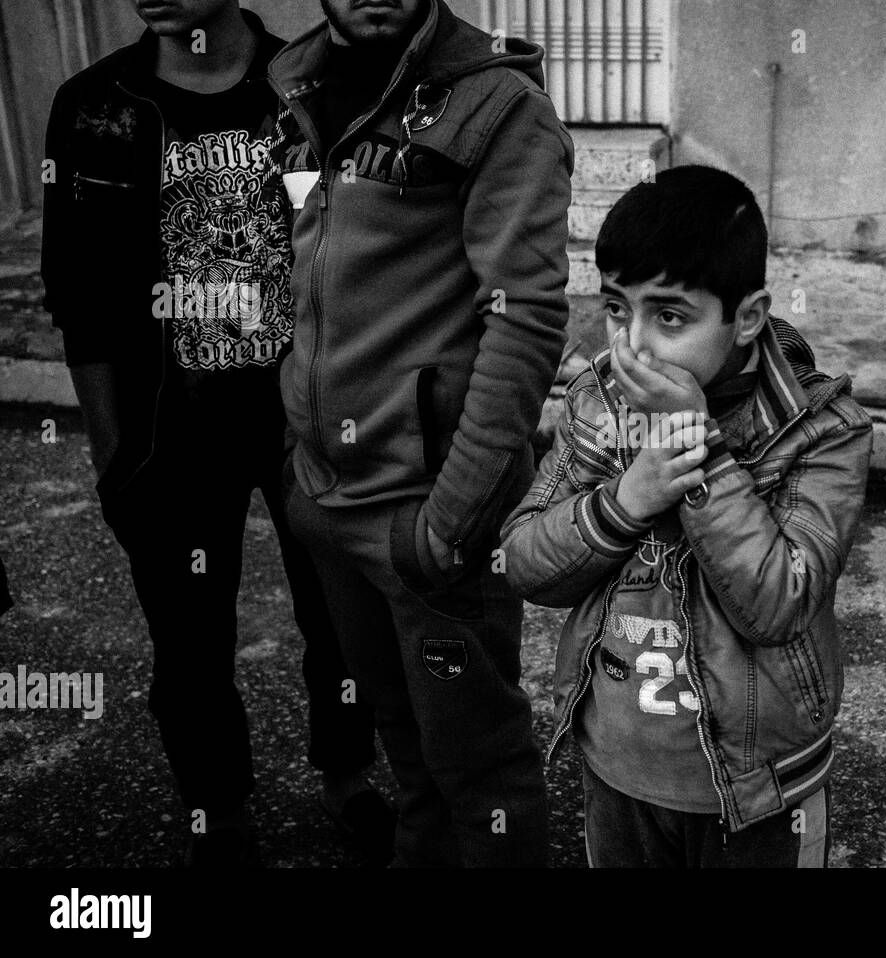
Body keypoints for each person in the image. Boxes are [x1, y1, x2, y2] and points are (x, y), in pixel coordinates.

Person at [40, 0, 389, 867]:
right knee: (189, 640)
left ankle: (349, 778)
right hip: (172, 427)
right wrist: (111, 451)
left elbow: (369, 256)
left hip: (306, 416)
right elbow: (78, 294)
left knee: (341, 617)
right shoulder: (93, 107)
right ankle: (218, 812)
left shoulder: (308, 86)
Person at [269, 0, 573, 867]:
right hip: (327, 500)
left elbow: (525, 321)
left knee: (479, 767)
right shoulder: (297, 80)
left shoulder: (497, 104)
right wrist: (298, 468)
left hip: (427, 513)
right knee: (406, 748)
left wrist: (454, 519)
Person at [501, 166, 873, 867]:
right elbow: (523, 560)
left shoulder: (821, 431)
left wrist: (699, 455)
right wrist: (624, 503)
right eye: (617, 309)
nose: (631, 346)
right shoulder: (596, 404)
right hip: (617, 771)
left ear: (749, 317)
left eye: (669, 316)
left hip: (760, 791)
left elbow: (779, 603)